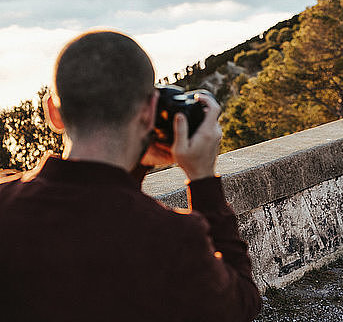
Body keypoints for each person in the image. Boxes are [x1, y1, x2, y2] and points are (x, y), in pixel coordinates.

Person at [0, 31, 262, 321]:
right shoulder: (173, 238)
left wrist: (136, 166)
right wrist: (201, 179)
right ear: (149, 111)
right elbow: (240, 305)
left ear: (52, 112)